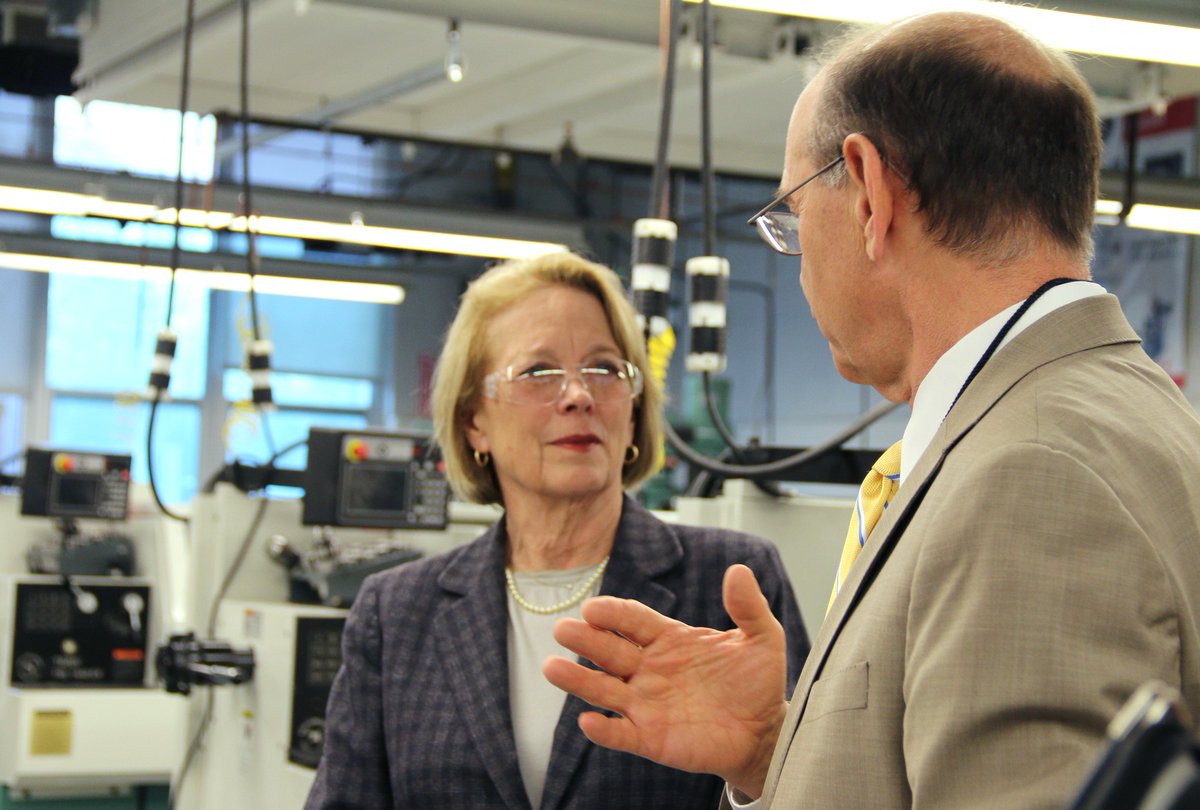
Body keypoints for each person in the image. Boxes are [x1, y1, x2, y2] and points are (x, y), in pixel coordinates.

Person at [543, 11, 1200, 810]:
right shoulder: (1083, 426)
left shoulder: (1031, 478)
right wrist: (772, 758)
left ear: (868, 191)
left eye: (792, 216)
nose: (796, 260)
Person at [305, 252, 810, 810]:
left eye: (604, 368)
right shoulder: (397, 613)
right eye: (538, 372)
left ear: (634, 407)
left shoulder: (727, 584)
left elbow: (830, 792)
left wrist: (761, 766)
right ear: (475, 419)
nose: (578, 394)